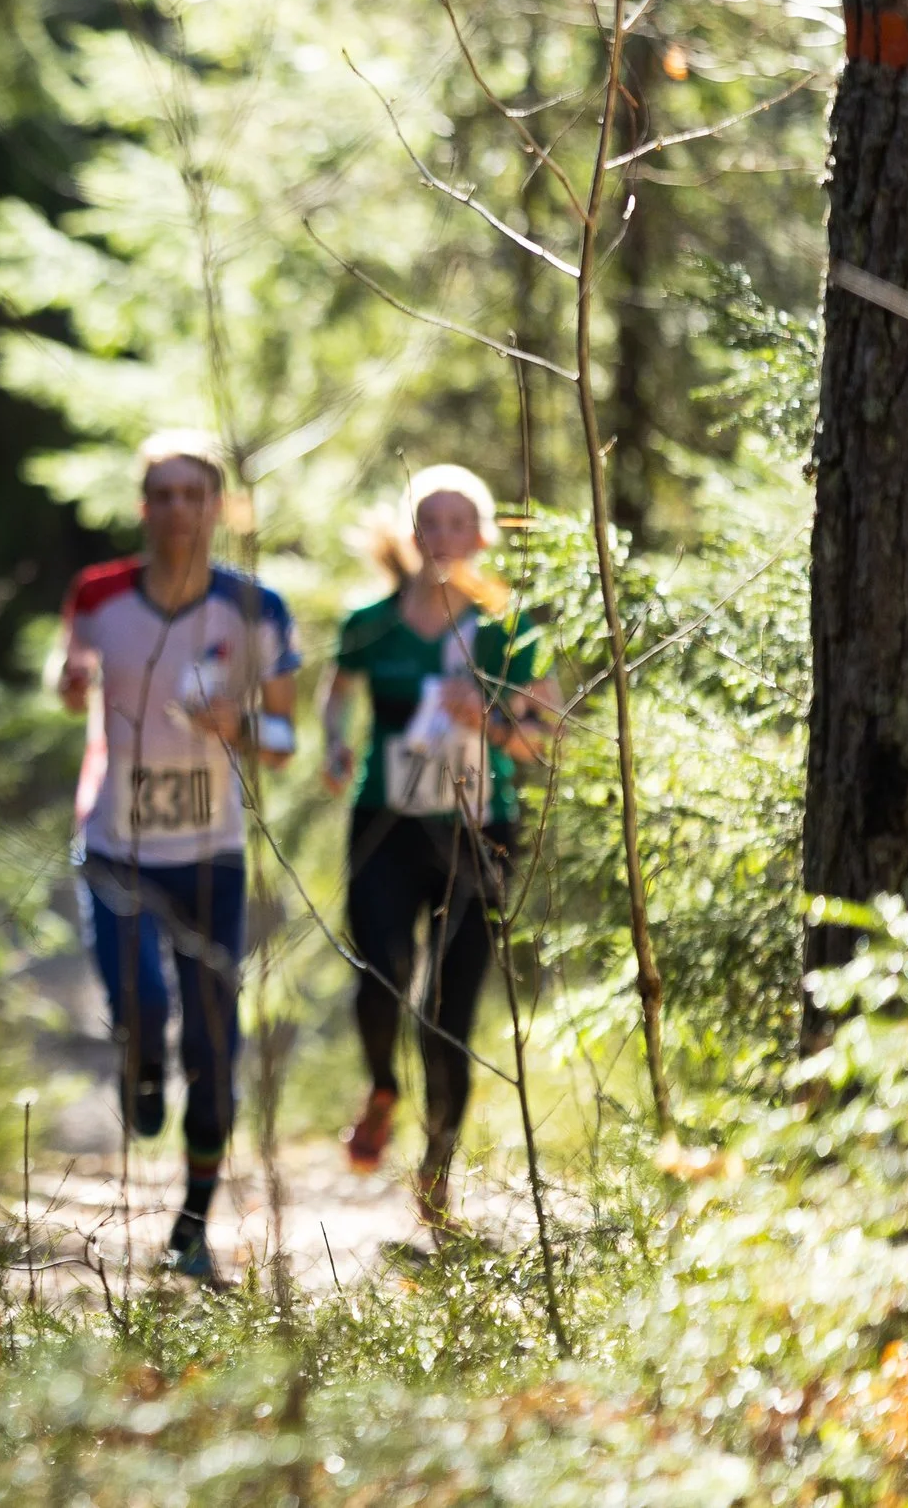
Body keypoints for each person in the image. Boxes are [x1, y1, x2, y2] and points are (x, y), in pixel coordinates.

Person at [56, 431, 299, 1282]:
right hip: (116, 841)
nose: (177, 510)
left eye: (194, 494)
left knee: (213, 1040)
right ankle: (136, 1057)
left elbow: (284, 738)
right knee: (140, 1001)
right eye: (161, 494)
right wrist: (72, 682)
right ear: (142, 507)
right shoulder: (98, 593)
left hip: (210, 853)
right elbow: (72, 669)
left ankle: (193, 1225)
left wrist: (241, 726)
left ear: (218, 507)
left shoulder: (255, 607)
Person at [319, 464, 560, 1240]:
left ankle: (437, 1168)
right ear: (411, 533)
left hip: (477, 830)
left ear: (482, 537)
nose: (445, 536)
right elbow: (337, 695)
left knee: (449, 1012)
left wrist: (488, 721)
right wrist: (332, 747)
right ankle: (384, 1086)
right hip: (384, 826)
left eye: (460, 523)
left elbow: (543, 739)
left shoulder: (511, 629)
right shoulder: (371, 620)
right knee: (380, 970)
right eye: (431, 521)